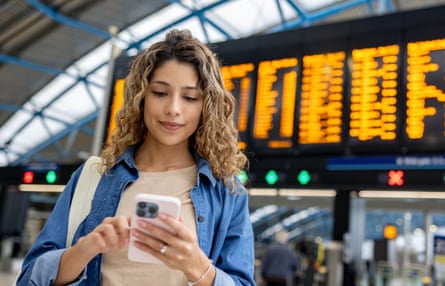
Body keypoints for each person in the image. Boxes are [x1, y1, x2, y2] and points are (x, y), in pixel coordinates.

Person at [16, 29, 256, 286]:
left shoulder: (227, 191)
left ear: (206, 106)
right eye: (160, 93)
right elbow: (31, 277)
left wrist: (196, 266)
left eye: (189, 97)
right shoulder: (95, 176)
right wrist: (85, 249)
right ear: (141, 98)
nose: (173, 109)